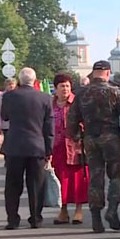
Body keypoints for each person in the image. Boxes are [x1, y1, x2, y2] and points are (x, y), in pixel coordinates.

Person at [67, 60, 120, 233]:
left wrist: (76, 137)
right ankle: (112, 209)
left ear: (93, 73)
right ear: (107, 73)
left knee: (95, 177)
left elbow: (72, 119)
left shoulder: (82, 93)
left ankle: (96, 218)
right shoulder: (115, 92)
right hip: (111, 137)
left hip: (90, 138)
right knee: (116, 176)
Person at [0, 68, 53, 229]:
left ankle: (12, 220)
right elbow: (49, 127)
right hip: (37, 147)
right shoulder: (45, 98)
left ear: (20, 80)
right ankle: (35, 219)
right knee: (36, 185)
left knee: (13, 185)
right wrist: (49, 150)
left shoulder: (9, 96)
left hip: (14, 146)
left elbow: (5, 116)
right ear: (35, 80)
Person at [51, 74, 89, 225]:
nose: (65, 89)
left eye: (67, 86)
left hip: (76, 147)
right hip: (57, 147)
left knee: (78, 180)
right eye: (62, 86)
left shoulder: (77, 103)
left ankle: (78, 210)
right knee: (61, 180)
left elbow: (87, 122)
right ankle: (63, 211)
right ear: (56, 88)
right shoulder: (51, 104)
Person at [0, 78, 16, 143]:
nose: (11, 86)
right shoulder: (2, 96)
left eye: (13, 84)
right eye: (9, 84)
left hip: (17, 123)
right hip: (6, 123)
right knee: (8, 141)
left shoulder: (19, 95)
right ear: (6, 86)